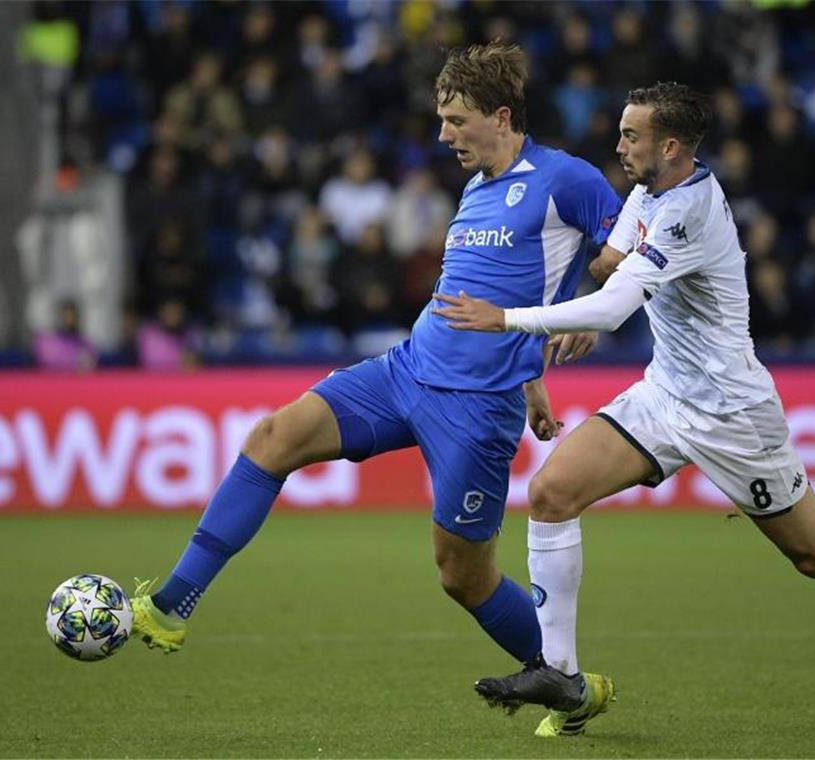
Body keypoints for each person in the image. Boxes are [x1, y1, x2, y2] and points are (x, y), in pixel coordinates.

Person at [432, 82, 815, 736]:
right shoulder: (649, 190)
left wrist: (508, 318)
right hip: (666, 392)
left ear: (670, 146)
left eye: (631, 136)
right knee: (552, 492)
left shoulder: (690, 211)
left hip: (732, 411)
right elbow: (611, 266)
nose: (618, 145)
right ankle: (560, 672)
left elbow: (614, 306)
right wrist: (591, 289)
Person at [129, 43, 625, 717]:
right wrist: (535, 373)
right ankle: (170, 605)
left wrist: (594, 316)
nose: (443, 135)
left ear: (500, 116)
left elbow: (634, 249)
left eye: (456, 120)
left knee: (462, 576)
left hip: (475, 413)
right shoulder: (478, 188)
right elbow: (502, 290)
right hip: (406, 370)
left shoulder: (565, 178)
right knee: (273, 438)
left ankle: (566, 684)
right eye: (441, 119)